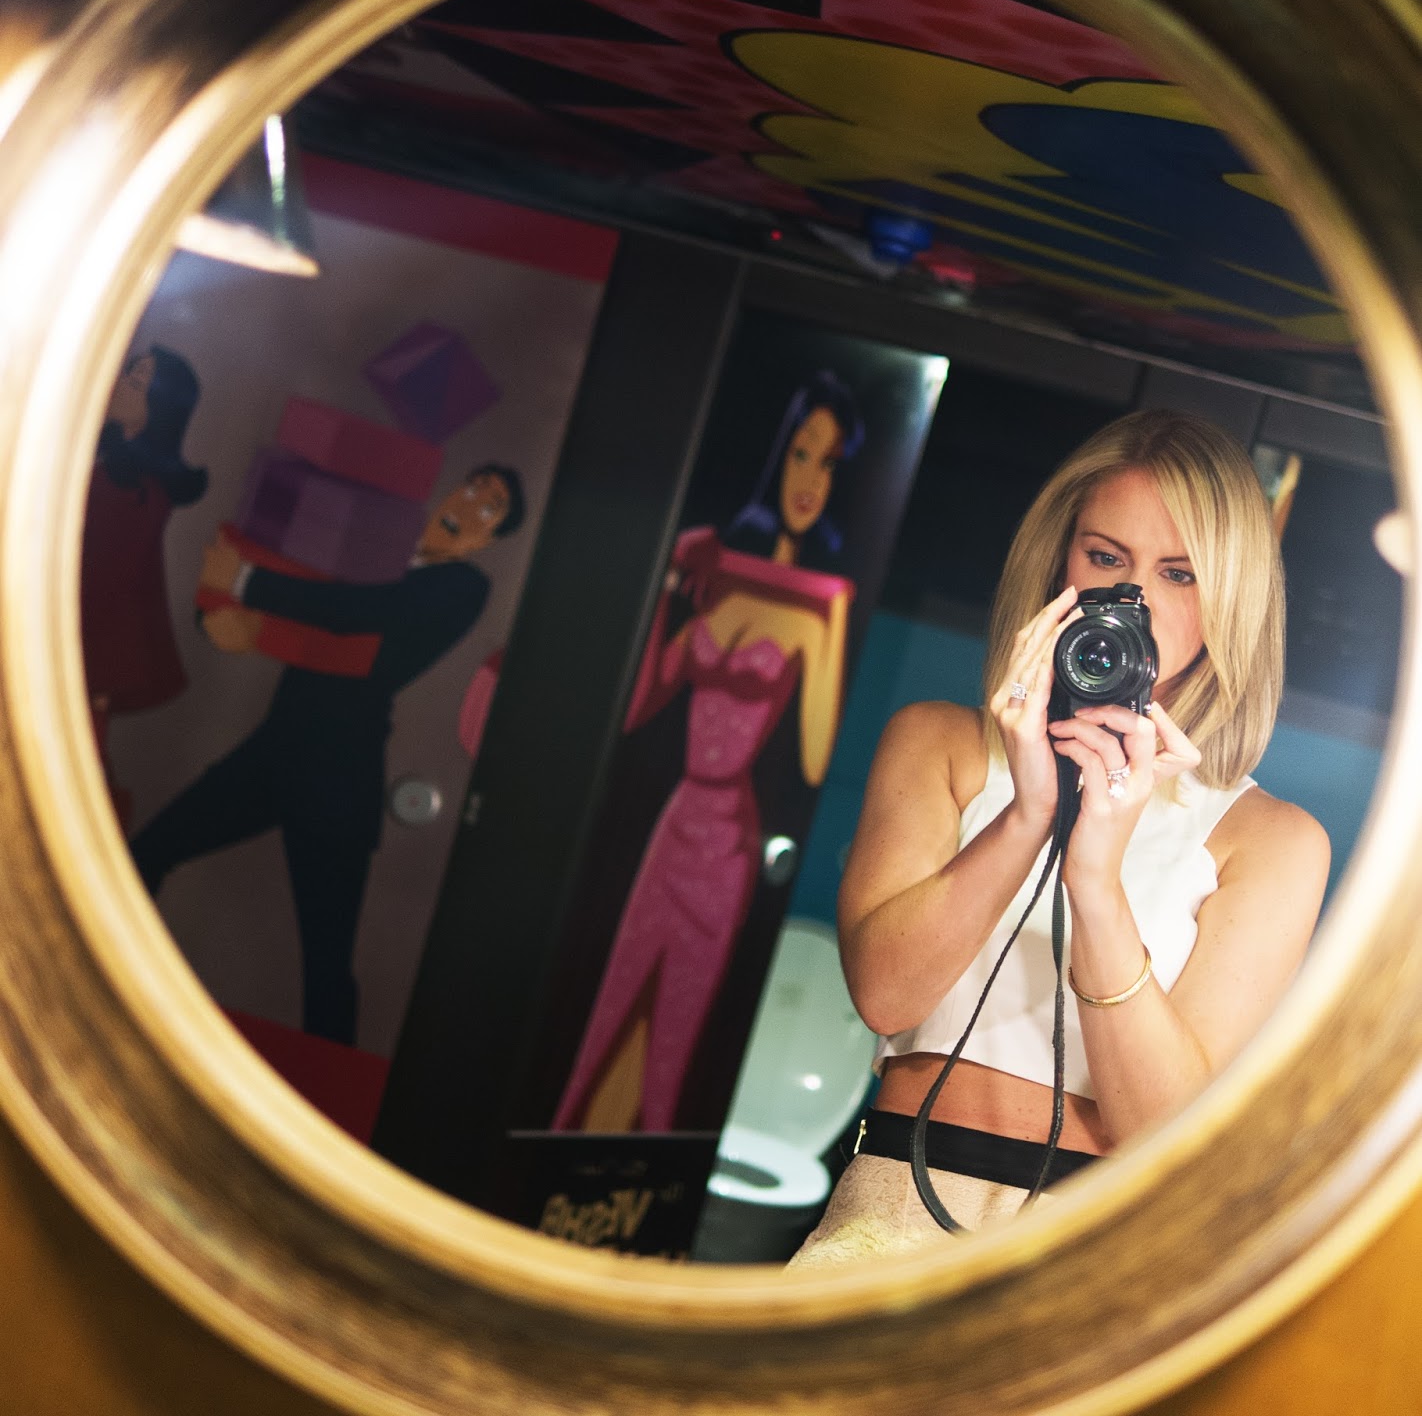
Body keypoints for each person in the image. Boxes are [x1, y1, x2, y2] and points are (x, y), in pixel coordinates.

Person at [788, 408, 1329, 1264]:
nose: (1134, 600)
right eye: (1106, 558)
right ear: (1060, 562)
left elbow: (1164, 1129)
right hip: (886, 1218)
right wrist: (1028, 813)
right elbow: (886, 996)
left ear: (1232, 598)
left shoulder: (1271, 841)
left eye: (1180, 573)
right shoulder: (939, 743)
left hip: (1091, 1253)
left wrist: (1097, 880)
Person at [552, 371, 862, 1133]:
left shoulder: (816, 612)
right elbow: (639, 707)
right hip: (673, 819)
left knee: (677, 1030)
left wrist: (832, 628)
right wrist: (666, 591)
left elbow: (814, 760)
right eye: (801, 454)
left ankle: (633, 1178)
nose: (810, 479)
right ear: (777, 457)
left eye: (828, 464)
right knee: (611, 1001)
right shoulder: (716, 581)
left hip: (729, 840)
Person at [129, 463, 525, 1046]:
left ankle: (327, 1087)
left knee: (326, 967)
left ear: (486, 541)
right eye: (472, 488)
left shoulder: (462, 587)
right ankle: (108, 989)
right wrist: (220, 613)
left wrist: (246, 583)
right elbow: (300, 595)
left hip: (337, 784)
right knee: (146, 855)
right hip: (275, 753)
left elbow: (354, 615)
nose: (470, 505)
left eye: (490, 508)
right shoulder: (378, 549)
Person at [81, 345, 208, 828]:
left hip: (86, 658)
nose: (117, 384)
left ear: (158, 410)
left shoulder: (134, 491)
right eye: (127, 372)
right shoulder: (109, 465)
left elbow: (105, 584)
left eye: (135, 382)